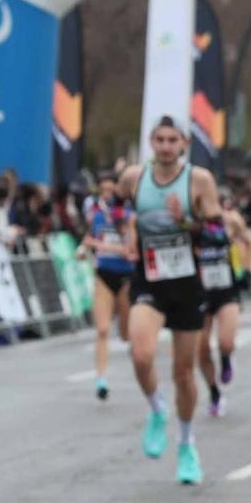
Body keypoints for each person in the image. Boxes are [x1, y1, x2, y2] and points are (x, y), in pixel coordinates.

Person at [119, 117, 225, 486]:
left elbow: (217, 233)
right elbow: (114, 208)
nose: (165, 146)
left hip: (187, 284)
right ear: (151, 142)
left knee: (184, 371)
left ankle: (185, 442)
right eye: (159, 140)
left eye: (172, 141)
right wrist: (128, 234)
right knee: (140, 353)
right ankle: (156, 408)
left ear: (183, 144)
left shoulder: (199, 180)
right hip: (149, 280)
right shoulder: (134, 178)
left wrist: (187, 222)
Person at [196, 204, 251, 417]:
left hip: (227, 290)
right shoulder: (192, 226)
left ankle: (225, 357)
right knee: (201, 348)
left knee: (226, 341)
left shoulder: (227, 221)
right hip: (200, 292)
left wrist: (247, 269)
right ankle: (214, 392)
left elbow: (249, 240)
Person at [82, 171, 134, 401]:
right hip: (103, 274)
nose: (106, 195)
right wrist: (85, 249)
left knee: (124, 334)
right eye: (102, 191)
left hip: (125, 278)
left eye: (110, 191)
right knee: (102, 329)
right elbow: (89, 240)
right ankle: (101, 380)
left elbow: (130, 251)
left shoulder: (131, 216)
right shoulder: (97, 215)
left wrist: (104, 242)